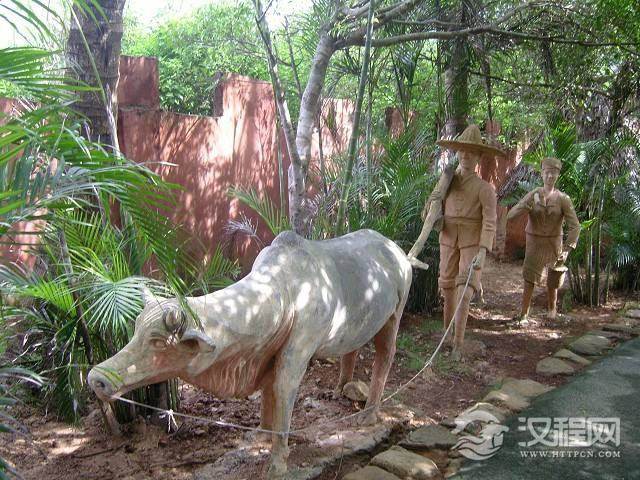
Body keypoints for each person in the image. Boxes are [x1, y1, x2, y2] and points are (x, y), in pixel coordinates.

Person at [436, 124, 502, 361]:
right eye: (462, 151)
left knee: (464, 291)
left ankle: (458, 342)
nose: (466, 156)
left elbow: (490, 221)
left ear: (479, 157)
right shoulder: (447, 181)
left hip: (472, 242)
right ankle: (446, 335)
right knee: (447, 289)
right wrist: (433, 213)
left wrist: (483, 250)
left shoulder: (485, 189)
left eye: (472, 152)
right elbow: (432, 207)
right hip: (448, 239)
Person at [507, 157, 580, 323]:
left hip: (554, 244)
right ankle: (524, 313)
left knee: (553, 279)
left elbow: (575, 226)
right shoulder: (534, 194)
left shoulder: (563, 199)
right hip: (534, 242)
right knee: (529, 278)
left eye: (553, 173)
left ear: (558, 175)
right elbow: (510, 215)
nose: (550, 176)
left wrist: (567, 249)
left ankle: (552, 311)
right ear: (541, 174)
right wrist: (525, 207)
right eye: (547, 173)